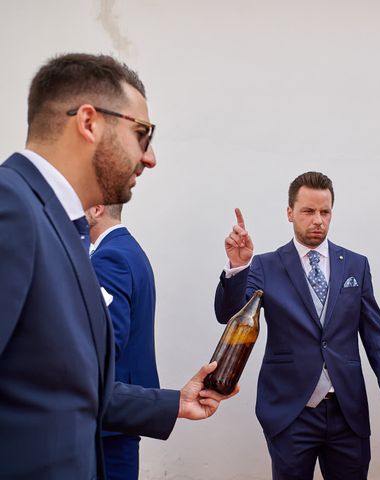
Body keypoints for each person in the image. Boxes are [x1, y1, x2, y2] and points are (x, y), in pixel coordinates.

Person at [0, 53, 236, 479]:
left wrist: (171, 403)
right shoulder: (11, 209)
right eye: (142, 134)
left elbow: (56, 387)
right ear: (89, 122)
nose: (150, 158)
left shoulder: (60, 227)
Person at [214, 171, 380, 479]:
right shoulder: (265, 265)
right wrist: (239, 266)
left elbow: (375, 335)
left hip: (348, 412)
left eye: (324, 212)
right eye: (308, 211)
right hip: (290, 413)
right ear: (290, 213)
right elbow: (228, 314)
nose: (317, 220)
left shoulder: (356, 264)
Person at [86, 203, 160, 480]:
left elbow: (104, 343)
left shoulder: (109, 257)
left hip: (110, 414)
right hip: (122, 411)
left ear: (96, 209)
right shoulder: (128, 249)